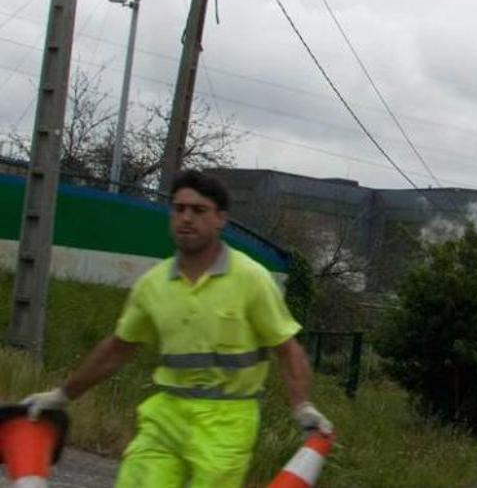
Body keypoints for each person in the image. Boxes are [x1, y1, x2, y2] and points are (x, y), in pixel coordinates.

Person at [21, 170, 332, 487]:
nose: (186, 218)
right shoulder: (153, 285)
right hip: (166, 415)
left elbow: (288, 349)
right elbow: (116, 350)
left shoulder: (251, 279)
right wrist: (62, 395)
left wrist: (301, 406)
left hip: (226, 423)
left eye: (198, 211)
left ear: (220, 218)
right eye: (179, 208)